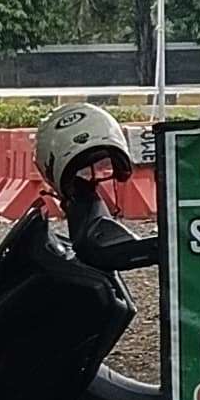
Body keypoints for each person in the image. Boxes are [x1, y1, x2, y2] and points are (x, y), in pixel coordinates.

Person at [32, 102, 156, 272]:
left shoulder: (87, 204)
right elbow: (108, 252)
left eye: (106, 163)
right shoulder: (84, 207)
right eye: (85, 169)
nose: (97, 174)